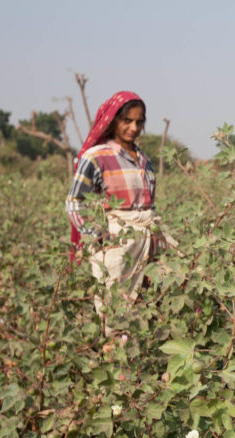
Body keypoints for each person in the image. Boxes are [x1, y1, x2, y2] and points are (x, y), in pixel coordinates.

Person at [65, 91, 176, 331]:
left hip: (149, 239)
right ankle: (117, 363)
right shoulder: (96, 157)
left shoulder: (145, 160)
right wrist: (97, 236)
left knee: (154, 304)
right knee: (116, 311)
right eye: (127, 121)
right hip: (118, 243)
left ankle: (146, 361)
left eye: (139, 122)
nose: (134, 127)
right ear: (113, 121)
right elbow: (75, 202)